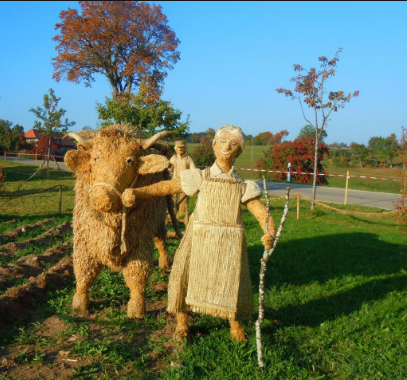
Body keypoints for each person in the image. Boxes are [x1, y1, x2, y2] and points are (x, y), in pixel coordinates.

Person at [123, 125, 275, 343]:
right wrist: (138, 192)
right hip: (199, 235)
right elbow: (169, 186)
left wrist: (268, 232)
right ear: (214, 145)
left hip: (229, 242)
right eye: (222, 141)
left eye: (233, 144)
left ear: (239, 151)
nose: (227, 147)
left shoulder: (243, 185)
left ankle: (235, 323)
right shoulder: (200, 177)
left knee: (231, 281)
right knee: (186, 276)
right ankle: (182, 322)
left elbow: (261, 212)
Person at [169, 140, 196, 225]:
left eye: (182, 147)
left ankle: (183, 215)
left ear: (185, 148)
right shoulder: (173, 158)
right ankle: (172, 215)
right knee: (173, 198)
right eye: (179, 148)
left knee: (184, 198)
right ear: (175, 148)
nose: (180, 149)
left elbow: (193, 169)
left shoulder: (188, 158)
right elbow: (170, 168)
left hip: (185, 181)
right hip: (175, 180)